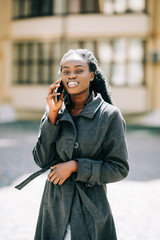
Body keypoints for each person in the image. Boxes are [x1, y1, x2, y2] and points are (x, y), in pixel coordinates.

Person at [16, 49, 129, 240]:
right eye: (66, 71)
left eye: (79, 70)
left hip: (90, 210)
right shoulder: (55, 111)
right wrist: (52, 116)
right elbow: (40, 159)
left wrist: (76, 166)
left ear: (91, 75)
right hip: (54, 207)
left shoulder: (109, 115)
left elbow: (119, 168)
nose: (71, 75)